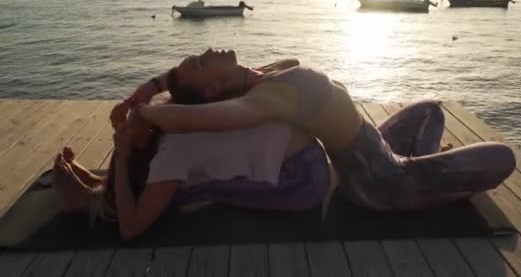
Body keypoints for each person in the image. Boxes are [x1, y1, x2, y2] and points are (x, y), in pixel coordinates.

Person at [126, 49, 516, 211]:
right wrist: (145, 113)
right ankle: (428, 182)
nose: (208, 51)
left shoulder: (270, 73)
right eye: (199, 62)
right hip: (380, 180)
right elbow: (205, 118)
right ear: (212, 88)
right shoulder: (263, 100)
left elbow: (186, 88)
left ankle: (431, 169)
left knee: (431, 109)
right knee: (504, 158)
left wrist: (149, 87)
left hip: (376, 145)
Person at [52, 95, 330, 239]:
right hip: (307, 156)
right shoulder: (177, 119)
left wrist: (121, 161)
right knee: (192, 177)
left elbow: (130, 228)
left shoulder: (171, 153)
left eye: (127, 128)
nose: (124, 127)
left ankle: (90, 201)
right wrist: (125, 153)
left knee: (187, 190)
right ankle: (99, 189)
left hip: (302, 178)